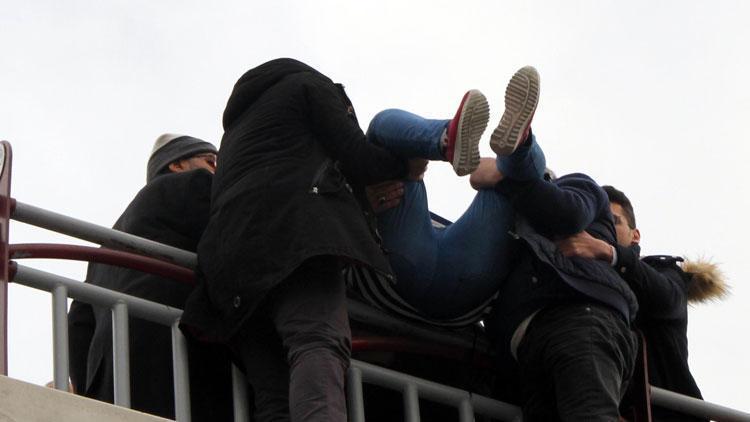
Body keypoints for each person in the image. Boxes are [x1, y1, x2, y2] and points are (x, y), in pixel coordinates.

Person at [179, 58, 455, 422]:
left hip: (228, 270)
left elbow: (283, 172)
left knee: (273, 391)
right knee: (318, 342)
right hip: (294, 241)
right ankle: (446, 137)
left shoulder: (236, 135)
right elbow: (356, 153)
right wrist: (406, 167)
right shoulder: (310, 86)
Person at [360, 66, 638, 420]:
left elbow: (564, 214)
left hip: (447, 286)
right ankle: (453, 138)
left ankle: (515, 146)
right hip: (449, 284)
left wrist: (503, 178)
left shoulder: (580, 195)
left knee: (384, 129)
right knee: (383, 127)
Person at [68, 134, 232, 421]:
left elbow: (78, 324)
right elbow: (234, 244)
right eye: (211, 161)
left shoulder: (107, 243)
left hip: (114, 384)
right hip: (177, 361)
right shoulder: (195, 185)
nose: (220, 169)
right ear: (178, 165)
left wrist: (87, 392)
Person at [556, 185, 728, 422]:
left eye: (612, 221)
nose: (602, 228)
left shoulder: (661, 271)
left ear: (635, 235)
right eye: (595, 221)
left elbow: (666, 297)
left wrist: (609, 253)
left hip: (663, 413)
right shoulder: (568, 274)